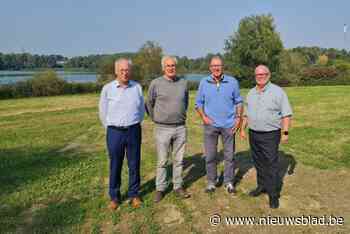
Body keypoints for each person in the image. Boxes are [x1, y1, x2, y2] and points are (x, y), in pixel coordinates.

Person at [240, 65, 293, 209]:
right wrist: (242, 129)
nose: (260, 76)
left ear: (269, 75)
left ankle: (273, 195)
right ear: (255, 76)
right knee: (258, 162)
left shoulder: (277, 92)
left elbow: (286, 113)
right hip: (254, 134)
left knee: (271, 164)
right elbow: (246, 114)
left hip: (270, 134)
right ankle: (261, 186)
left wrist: (285, 132)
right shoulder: (251, 93)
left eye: (263, 74)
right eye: (258, 74)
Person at [99, 58, 145, 210]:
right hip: (115, 132)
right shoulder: (107, 89)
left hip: (133, 130)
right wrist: (111, 127)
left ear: (130, 71)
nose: (125, 73)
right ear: (116, 71)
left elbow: (140, 110)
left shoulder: (137, 87)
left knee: (134, 163)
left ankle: (134, 194)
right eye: (122, 70)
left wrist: (134, 123)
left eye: (127, 70)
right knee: (115, 164)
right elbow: (103, 111)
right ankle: (114, 197)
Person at [195, 56, 243, 194]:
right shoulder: (204, 82)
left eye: (219, 66)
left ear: (223, 67)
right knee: (210, 156)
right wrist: (204, 117)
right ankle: (211, 181)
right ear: (210, 68)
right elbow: (198, 103)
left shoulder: (232, 82)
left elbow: (239, 101)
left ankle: (229, 182)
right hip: (211, 126)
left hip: (229, 125)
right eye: (214, 66)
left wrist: (238, 118)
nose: (216, 68)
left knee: (229, 156)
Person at [146, 55, 190, 203]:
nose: (171, 68)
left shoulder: (183, 83)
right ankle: (160, 188)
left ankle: (178, 186)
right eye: (168, 66)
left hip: (180, 127)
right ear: (163, 67)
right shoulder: (155, 83)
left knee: (179, 160)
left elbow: (186, 101)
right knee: (163, 161)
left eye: (173, 66)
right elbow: (149, 103)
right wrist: (156, 118)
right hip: (162, 128)